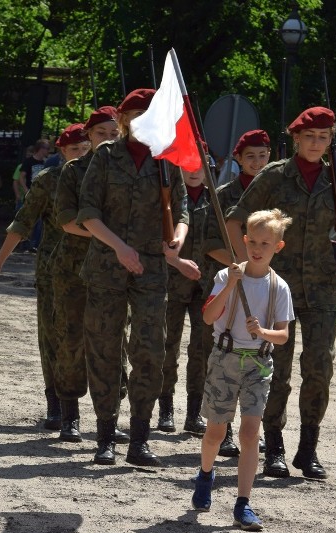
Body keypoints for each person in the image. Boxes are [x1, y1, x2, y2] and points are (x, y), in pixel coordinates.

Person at [226, 106, 336, 480]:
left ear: (330, 141)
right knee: (278, 371)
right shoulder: (274, 176)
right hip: (278, 287)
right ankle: (274, 448)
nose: (316, 143)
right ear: (296, 139)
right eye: (310, 137)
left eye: (324, 138)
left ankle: (308, 449)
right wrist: (249, 266)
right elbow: (236, 218)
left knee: (320, 367)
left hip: (322, 288)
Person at [76, 88, 195, 467]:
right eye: (136, 115)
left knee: (149, 351)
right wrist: (119, 248)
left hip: (151, 271)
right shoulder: (106, 158)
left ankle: (140, 439)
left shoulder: (166, 160)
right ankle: (106, 436)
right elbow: (88, 214)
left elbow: (183, 210)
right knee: (104, 349)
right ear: (124, 120)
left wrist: (178, 236)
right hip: (108, 267)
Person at [192, 209, 293, 531]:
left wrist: (262, 332)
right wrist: (230, 285)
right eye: (254, 242)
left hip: (258, 363)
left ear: (278, 246)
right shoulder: (226, 276)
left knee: (250, 433)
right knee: (215, 433)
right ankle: (206, 474)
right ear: (245, 241)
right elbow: (208, 318)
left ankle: (243, 503)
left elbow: (283, 335)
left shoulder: (279, 288)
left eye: (266, 243)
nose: (258, 249)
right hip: (224, 360)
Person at [0, 123, 90, 432]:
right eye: (75, 150)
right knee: (54, 337)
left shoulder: (102, 180)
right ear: (61, 151)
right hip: (53, 271)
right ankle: (56, 404)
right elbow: (22, 223)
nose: (82, 154)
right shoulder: (49, 182)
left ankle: (103, 412)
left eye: (86, 149)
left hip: (95, 269)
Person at [53, 106, 130, 446]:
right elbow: (68, 222)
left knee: (114, 345)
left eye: (114, 134)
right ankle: (69, 416)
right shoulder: (73, 171)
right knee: (72, 341)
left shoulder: (129, 170)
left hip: (115, 271)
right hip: (74, 270)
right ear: (88, 136)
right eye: (101, 134)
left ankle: (109, 418)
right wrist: (110, 234)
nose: (108, 139)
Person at [202, 129, 273, 456]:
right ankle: (222, 428)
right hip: (233, 280)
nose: (257, 162)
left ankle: (255, 430)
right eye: (250, 157)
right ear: (238, 160)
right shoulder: (225, 195)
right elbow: (210, 243)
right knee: (226, 354)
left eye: (262, 156)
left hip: (268, 283)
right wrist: (241, 266)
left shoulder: (275, 193)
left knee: (262, 355)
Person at [157, 159, 211, 434]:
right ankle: (165, 408)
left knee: (201, 351)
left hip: (205, 285)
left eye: (199, 166)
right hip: (171, 281)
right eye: (187, 166)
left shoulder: (217, 198)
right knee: (168, 347)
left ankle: (194, 413)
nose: (193, 172)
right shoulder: (169, 196)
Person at [18, 139, 51, 252]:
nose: (48, 151)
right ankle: (23, 243)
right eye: (47, 148)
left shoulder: (46, 163)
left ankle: (34, 244)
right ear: (41, 149)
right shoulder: (28, 161)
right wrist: (26, 189)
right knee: (27, 219)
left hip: (43, 195)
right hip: (30, 194)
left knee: (40, 221)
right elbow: (21, 176)